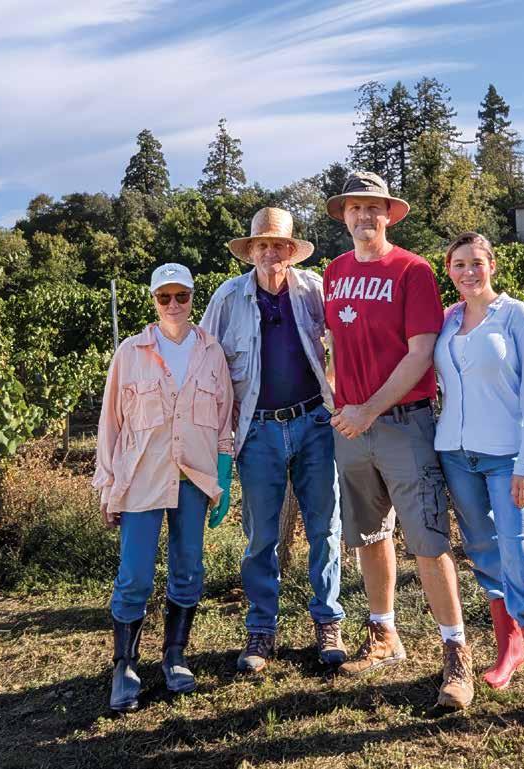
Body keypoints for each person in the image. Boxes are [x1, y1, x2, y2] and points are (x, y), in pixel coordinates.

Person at [324, 171, 473, 709]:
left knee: (428, 541)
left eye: (374, 207)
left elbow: (420, 353)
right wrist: (342, 402)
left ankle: (456, 654)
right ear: (344, 216)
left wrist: (368, 409)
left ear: (389, 214)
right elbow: (335, 346)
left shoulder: (412, 270)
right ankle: (384, 633)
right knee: (368, 535)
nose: (364, 216)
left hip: (404, 425)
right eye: (355, 208)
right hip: (352, 429)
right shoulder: (334, 272)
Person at [434, 232, 524, 729]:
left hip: (506, 458)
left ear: (492, 265)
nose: (468, 272)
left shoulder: (518, 318)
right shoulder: (447, 320)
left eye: (476, 262)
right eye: (458, 264)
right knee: (483, 551)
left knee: (521, 555)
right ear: (448, 270)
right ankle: (509, 649)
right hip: (455, 454)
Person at [200, 207, 346, 673]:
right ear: (250, 252)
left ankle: (328, 620)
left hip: (313, 422)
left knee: (325, 526)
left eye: (278, 245)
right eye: (261, 245)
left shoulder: (312, 290)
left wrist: (338, 392)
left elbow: (344, 339)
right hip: (257, 429)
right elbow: (206, 362)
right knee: (261, 535)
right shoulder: (228, 298)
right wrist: (214, 433)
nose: (270, 253)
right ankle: (261, 628)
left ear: (291, 251)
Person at [93, 262, 234, 712]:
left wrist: (224, 477)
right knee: (134, 574)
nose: (174, 304)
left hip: (194, 479)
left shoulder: (212, 352)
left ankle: (175, 655)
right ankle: (125, 665)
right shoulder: (130, 352)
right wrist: (107, 483)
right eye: (164, 297)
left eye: (181, 296)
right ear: (154, 301)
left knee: (188, 569)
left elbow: (224, 422)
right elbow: (110, 424)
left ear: (193, 298)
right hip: (141, 479)